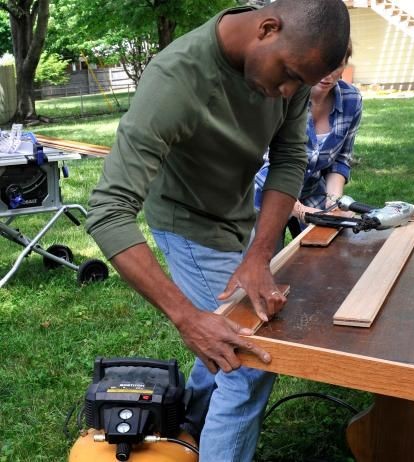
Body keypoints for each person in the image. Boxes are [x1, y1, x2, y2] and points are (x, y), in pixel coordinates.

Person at [85, 1, 350, 461]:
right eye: (287, 74)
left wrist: (258, 255)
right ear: (267, 29)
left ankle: (188, 425)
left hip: (238, 216)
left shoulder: (295, 60)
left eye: (299, 84)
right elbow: (108, 211)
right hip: (186, 221)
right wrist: (187, 319)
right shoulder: (177, 80)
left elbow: (289, 159)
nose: (286, 92)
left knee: (227, 334)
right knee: (247, 360)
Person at [254, 42, 362, 239]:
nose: (328, 73)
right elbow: (268, 164)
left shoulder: (351, 99)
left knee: (328, 250)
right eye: (322, 63)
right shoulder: (283, 95)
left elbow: (341, 160)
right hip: (264, 194)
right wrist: (301, 211)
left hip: (312, 192)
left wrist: (334, 204)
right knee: (265, 259)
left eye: (337, 65)